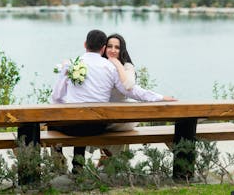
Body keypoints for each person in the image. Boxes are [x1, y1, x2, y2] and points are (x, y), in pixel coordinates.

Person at [51, 29, 176, 172]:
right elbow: (132, 91)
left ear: (85, 44)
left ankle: (62, 164)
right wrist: (160, 97)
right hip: (97, 127)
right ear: (103, 48)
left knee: (58, 122)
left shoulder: (72, 65)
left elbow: (56, 97)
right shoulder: (110, 67)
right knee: (85, 119)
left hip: (72, 128)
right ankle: (78, 166)